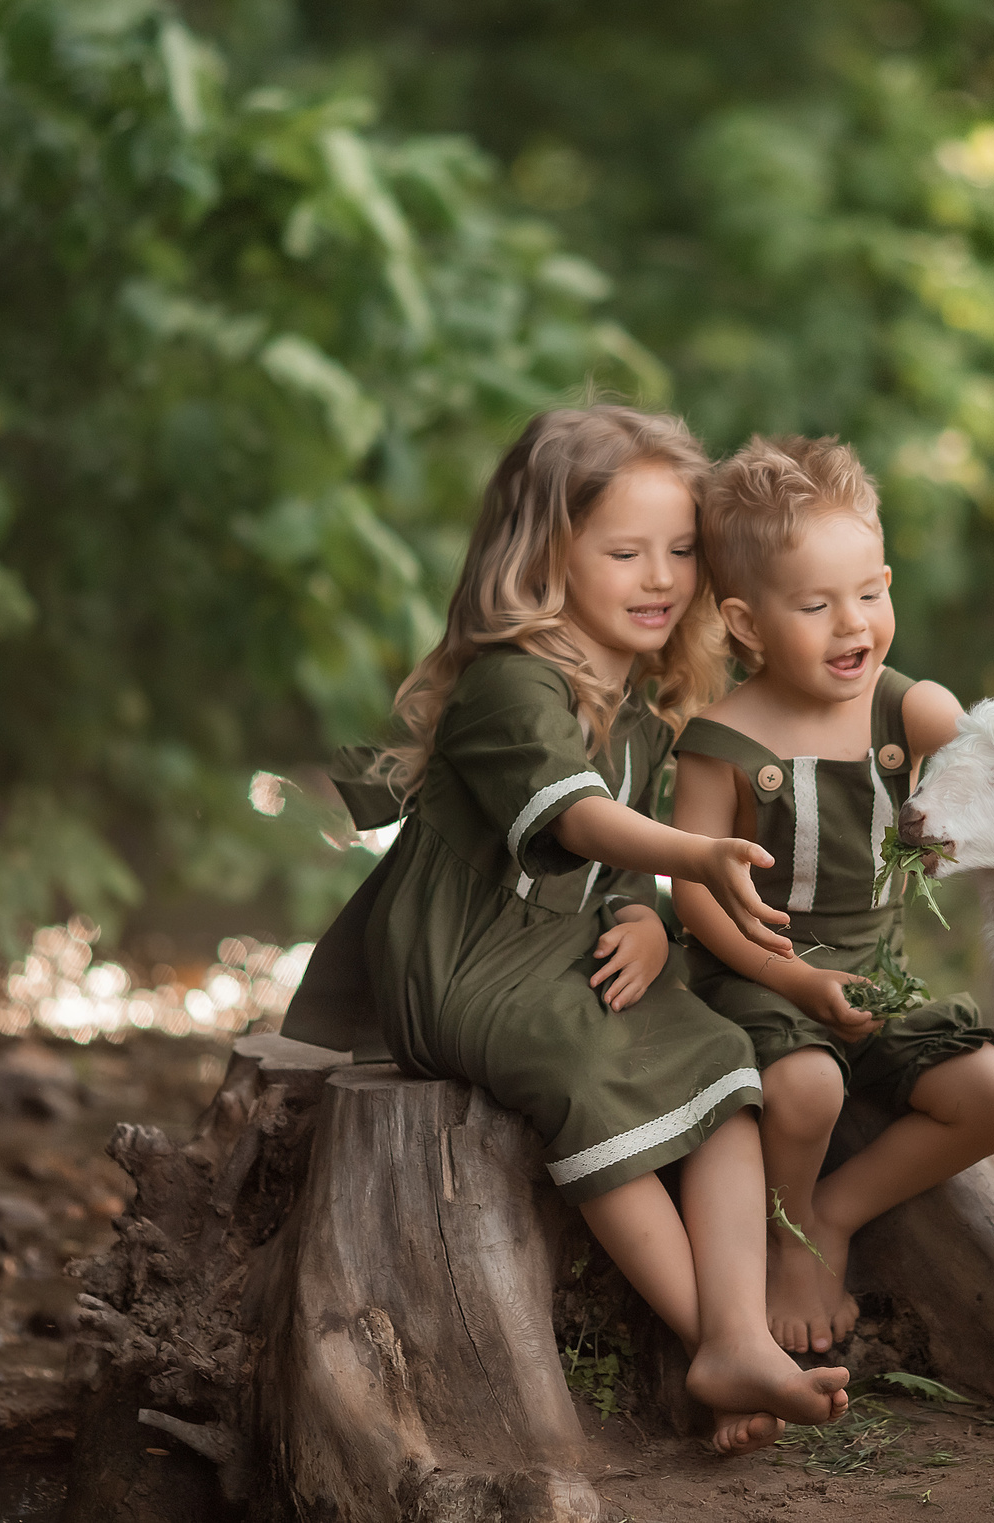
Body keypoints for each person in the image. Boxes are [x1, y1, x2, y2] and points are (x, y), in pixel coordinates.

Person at [280, 406, 848, 1451]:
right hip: (461, 963)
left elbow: (612, 854)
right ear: (544, 557)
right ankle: (707, 1341)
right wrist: (686, 864)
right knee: (591, 1078)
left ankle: (733, 1333)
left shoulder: (640, 689)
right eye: (624, 551)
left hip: (557, 943)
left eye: (680, 551)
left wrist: (640, 910)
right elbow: (578, 819)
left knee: (722, 1062)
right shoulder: (510, 682)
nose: (659, 578)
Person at [670, 436, 994, 1356]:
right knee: (806, 1083)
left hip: (877, 975)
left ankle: (834, 1211)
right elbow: (696, 892)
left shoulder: (904, 712)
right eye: (816, 605)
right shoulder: (724, 738)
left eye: (870, 593)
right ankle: (791, 1244)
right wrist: (786, 980)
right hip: (757, 977)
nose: (853, 625)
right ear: (746, 624)